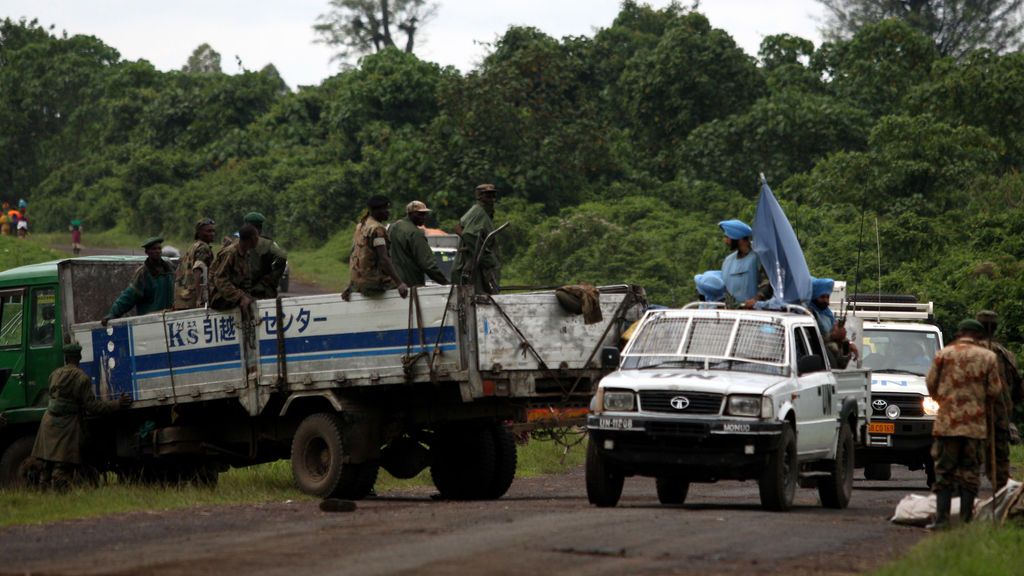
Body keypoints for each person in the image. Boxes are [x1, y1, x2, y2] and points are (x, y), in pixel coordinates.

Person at [924, 318, 1003, 529]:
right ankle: (966, 521)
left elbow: (931, 383)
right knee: (970, 472)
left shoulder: (944, 354)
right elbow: (995, 390)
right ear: (979, 336)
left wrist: (943, 399)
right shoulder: (988, 357)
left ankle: (941, 520)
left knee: (944, 472)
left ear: (960, 333)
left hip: (947, 424)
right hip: (974, 425)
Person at [31, 342, 131, 491]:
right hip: (66, 424)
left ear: (65, 358)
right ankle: (62, 498)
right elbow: (92, 406)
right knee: (62, 464)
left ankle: (43, 497)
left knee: (47, 464)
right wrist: (117, 404)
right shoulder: (82, 378)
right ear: (79, 357)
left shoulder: (54, 374)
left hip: (48, 421)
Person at [975, 310, 1023, 490]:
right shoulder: (1006, 355)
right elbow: (1018, 387)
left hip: (972, 413)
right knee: (999, 459)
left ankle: (964, 501)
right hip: (999, 413)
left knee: (967, 459)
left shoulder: (967, 352)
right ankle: (1002, 495)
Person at [342, 196, 409, 301]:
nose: (388, 212)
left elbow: (355, 255)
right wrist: (399, 283)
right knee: (407, 284)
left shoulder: (361, 226)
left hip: (357, 282)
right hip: (372, 284)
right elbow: (384, 259)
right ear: (376, 211)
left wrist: (351, 284)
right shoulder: (377, 229)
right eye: (385, 209)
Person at [102, 237, 174, 326]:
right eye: (153, 249)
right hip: (150, 321)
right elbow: (129, 295)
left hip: (170, 319)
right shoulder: (143, 273)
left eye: (159, 248)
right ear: (147, 252)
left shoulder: (169, 269)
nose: (157, 251)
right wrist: (113, 313)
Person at [452, 184, 501, 294]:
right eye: (488, 195)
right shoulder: (478, 211)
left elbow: (459, 227)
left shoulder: (484, 211)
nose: (492, 198)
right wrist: (486, 257)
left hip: (477, 264)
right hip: (473, 265)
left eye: (493, 195)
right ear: (480, 196)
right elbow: (467, 233)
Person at [388, 200, 449, 288]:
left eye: (425, 214)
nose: (424, 217)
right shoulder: (415, 233)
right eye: (420, 214)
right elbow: (428, 264)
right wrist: (445, 283)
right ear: (411, 214)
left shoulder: (393, 227)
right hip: (411, 284)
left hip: (393, 283)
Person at [807, 277, 857, 369]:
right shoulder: (809, 314)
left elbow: (837, 333)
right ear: (814, 295)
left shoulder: (827, 313)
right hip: (818, 362)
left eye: (827, 297)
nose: (826, 300)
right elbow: (811, 339)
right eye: (822, 297)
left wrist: (848, 343)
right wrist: (832, 336)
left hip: (833, 364)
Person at [718, 219, 769, 307]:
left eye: (728, 237)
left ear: (740, 239)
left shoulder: (759, 257)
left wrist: (755, 300)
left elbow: (768, 283)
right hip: (733, 313)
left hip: (756, 313)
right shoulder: (728, 261)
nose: (725, 241)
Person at [209, 224, 259, 311]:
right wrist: (240, 297)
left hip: (232, 294)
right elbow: (220, 279)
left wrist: (247, 295)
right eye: (256, 237)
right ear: (251, 239)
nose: (258, 240)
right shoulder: (231, 253)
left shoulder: (245, 253)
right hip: (219, 296)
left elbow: (246, 280)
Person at [173, 218, 217, 310]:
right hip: (193, 299)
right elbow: (198, 270)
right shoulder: (203, 248)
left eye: (213, 231)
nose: (212, 234)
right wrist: (199, 298)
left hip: (184, 297)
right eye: (208, 231)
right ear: (199, 232)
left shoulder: (193, 247)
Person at [242, 212, 288, 299]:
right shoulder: (268, 244)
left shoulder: (237, 243)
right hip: (261, 292)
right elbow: (282, 256)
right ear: (260, 228)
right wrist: (271, 279)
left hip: (241, 293)